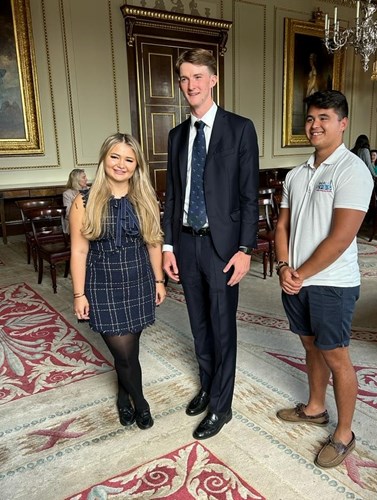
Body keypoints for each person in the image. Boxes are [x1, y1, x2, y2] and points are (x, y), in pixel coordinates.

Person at [162, 48, 259, 440]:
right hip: (186, 243)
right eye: (184, 79)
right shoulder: (176, 135)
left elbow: (249, 196)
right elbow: (171, 196)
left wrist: (245, 249)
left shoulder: (239, 128)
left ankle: (222, 406)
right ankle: (207, 385)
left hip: (223, 247)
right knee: (199, 325)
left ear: (213, 79)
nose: (190, 85)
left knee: (222, 328)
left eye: (197, 77)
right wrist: (168, 247)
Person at [275, 90, 373, 468]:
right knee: (311, 348)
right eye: (311, 118)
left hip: (332, 283)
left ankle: (344, 433)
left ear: (343, 123)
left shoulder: (352, 170)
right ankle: (315, 408)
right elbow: (282, 225)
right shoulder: (296, 174)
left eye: (324, 118)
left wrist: (301, 274)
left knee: (336, 356)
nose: (315, 125)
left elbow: (341, 237)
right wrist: (284, 266)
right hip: (296, 279)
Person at [70, 133, 166, 429]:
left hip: (138, 280)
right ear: (103, 159)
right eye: (115, 156)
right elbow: (79, 249)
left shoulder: (145, 199)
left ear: (136, 165)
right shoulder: (83, 201)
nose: (120, 164)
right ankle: (141, 401)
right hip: (103, 284)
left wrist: (159, 281)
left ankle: (124, 398)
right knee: (123, 354)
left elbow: (153, 243)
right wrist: (78, 294)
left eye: (128, 159)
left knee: (130, 351)